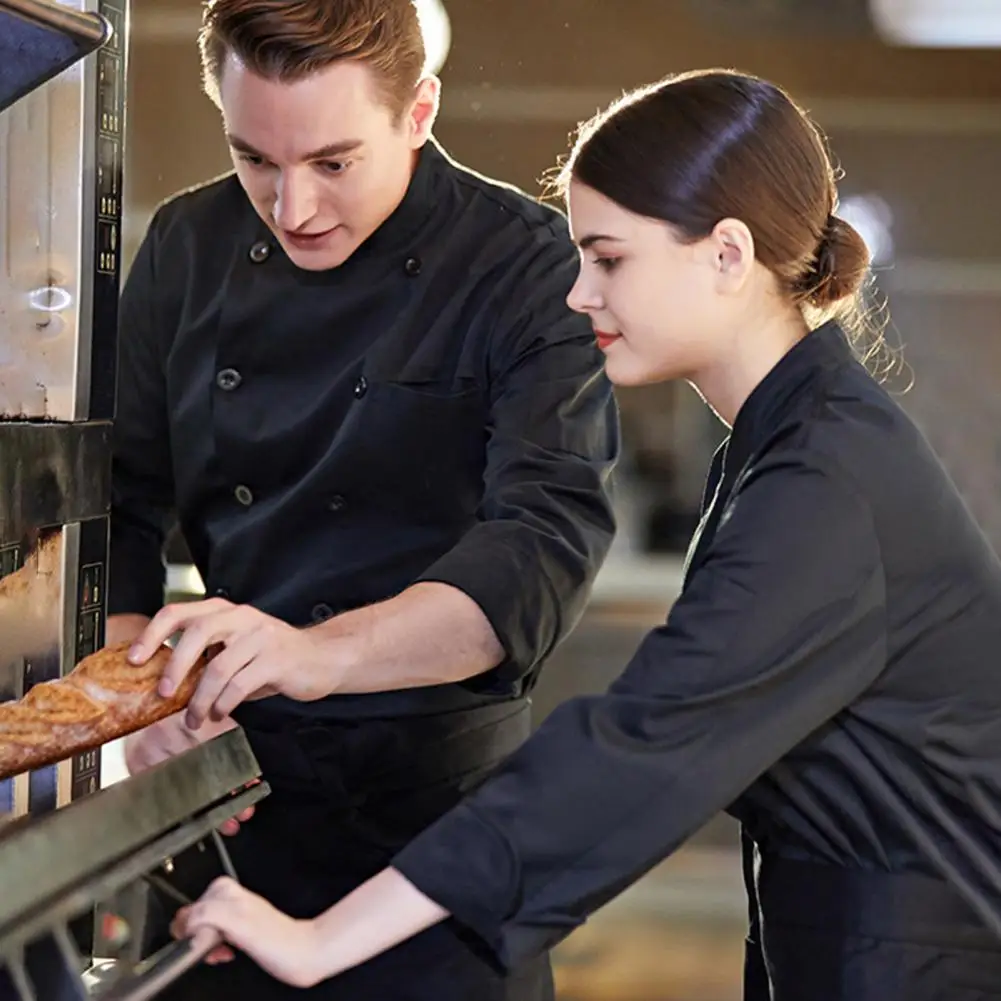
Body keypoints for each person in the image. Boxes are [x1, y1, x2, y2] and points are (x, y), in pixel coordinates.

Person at [172, 67, 1001, 1001]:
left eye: (606, 258)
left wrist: (322, 938)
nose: (577, 293)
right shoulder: (791, 439)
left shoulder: (826, 478)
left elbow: (636, 746)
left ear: (726, 255)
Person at [107, 0, 619, 998]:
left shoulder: (522, 267)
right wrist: (139, 702)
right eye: (254, 159)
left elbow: (538, 550)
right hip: (225, 814)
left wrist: (312, 651)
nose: (290, 206)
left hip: (432, 844)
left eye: (332, 164)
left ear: (418, 111)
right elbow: (119, 502)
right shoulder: (184, 246)